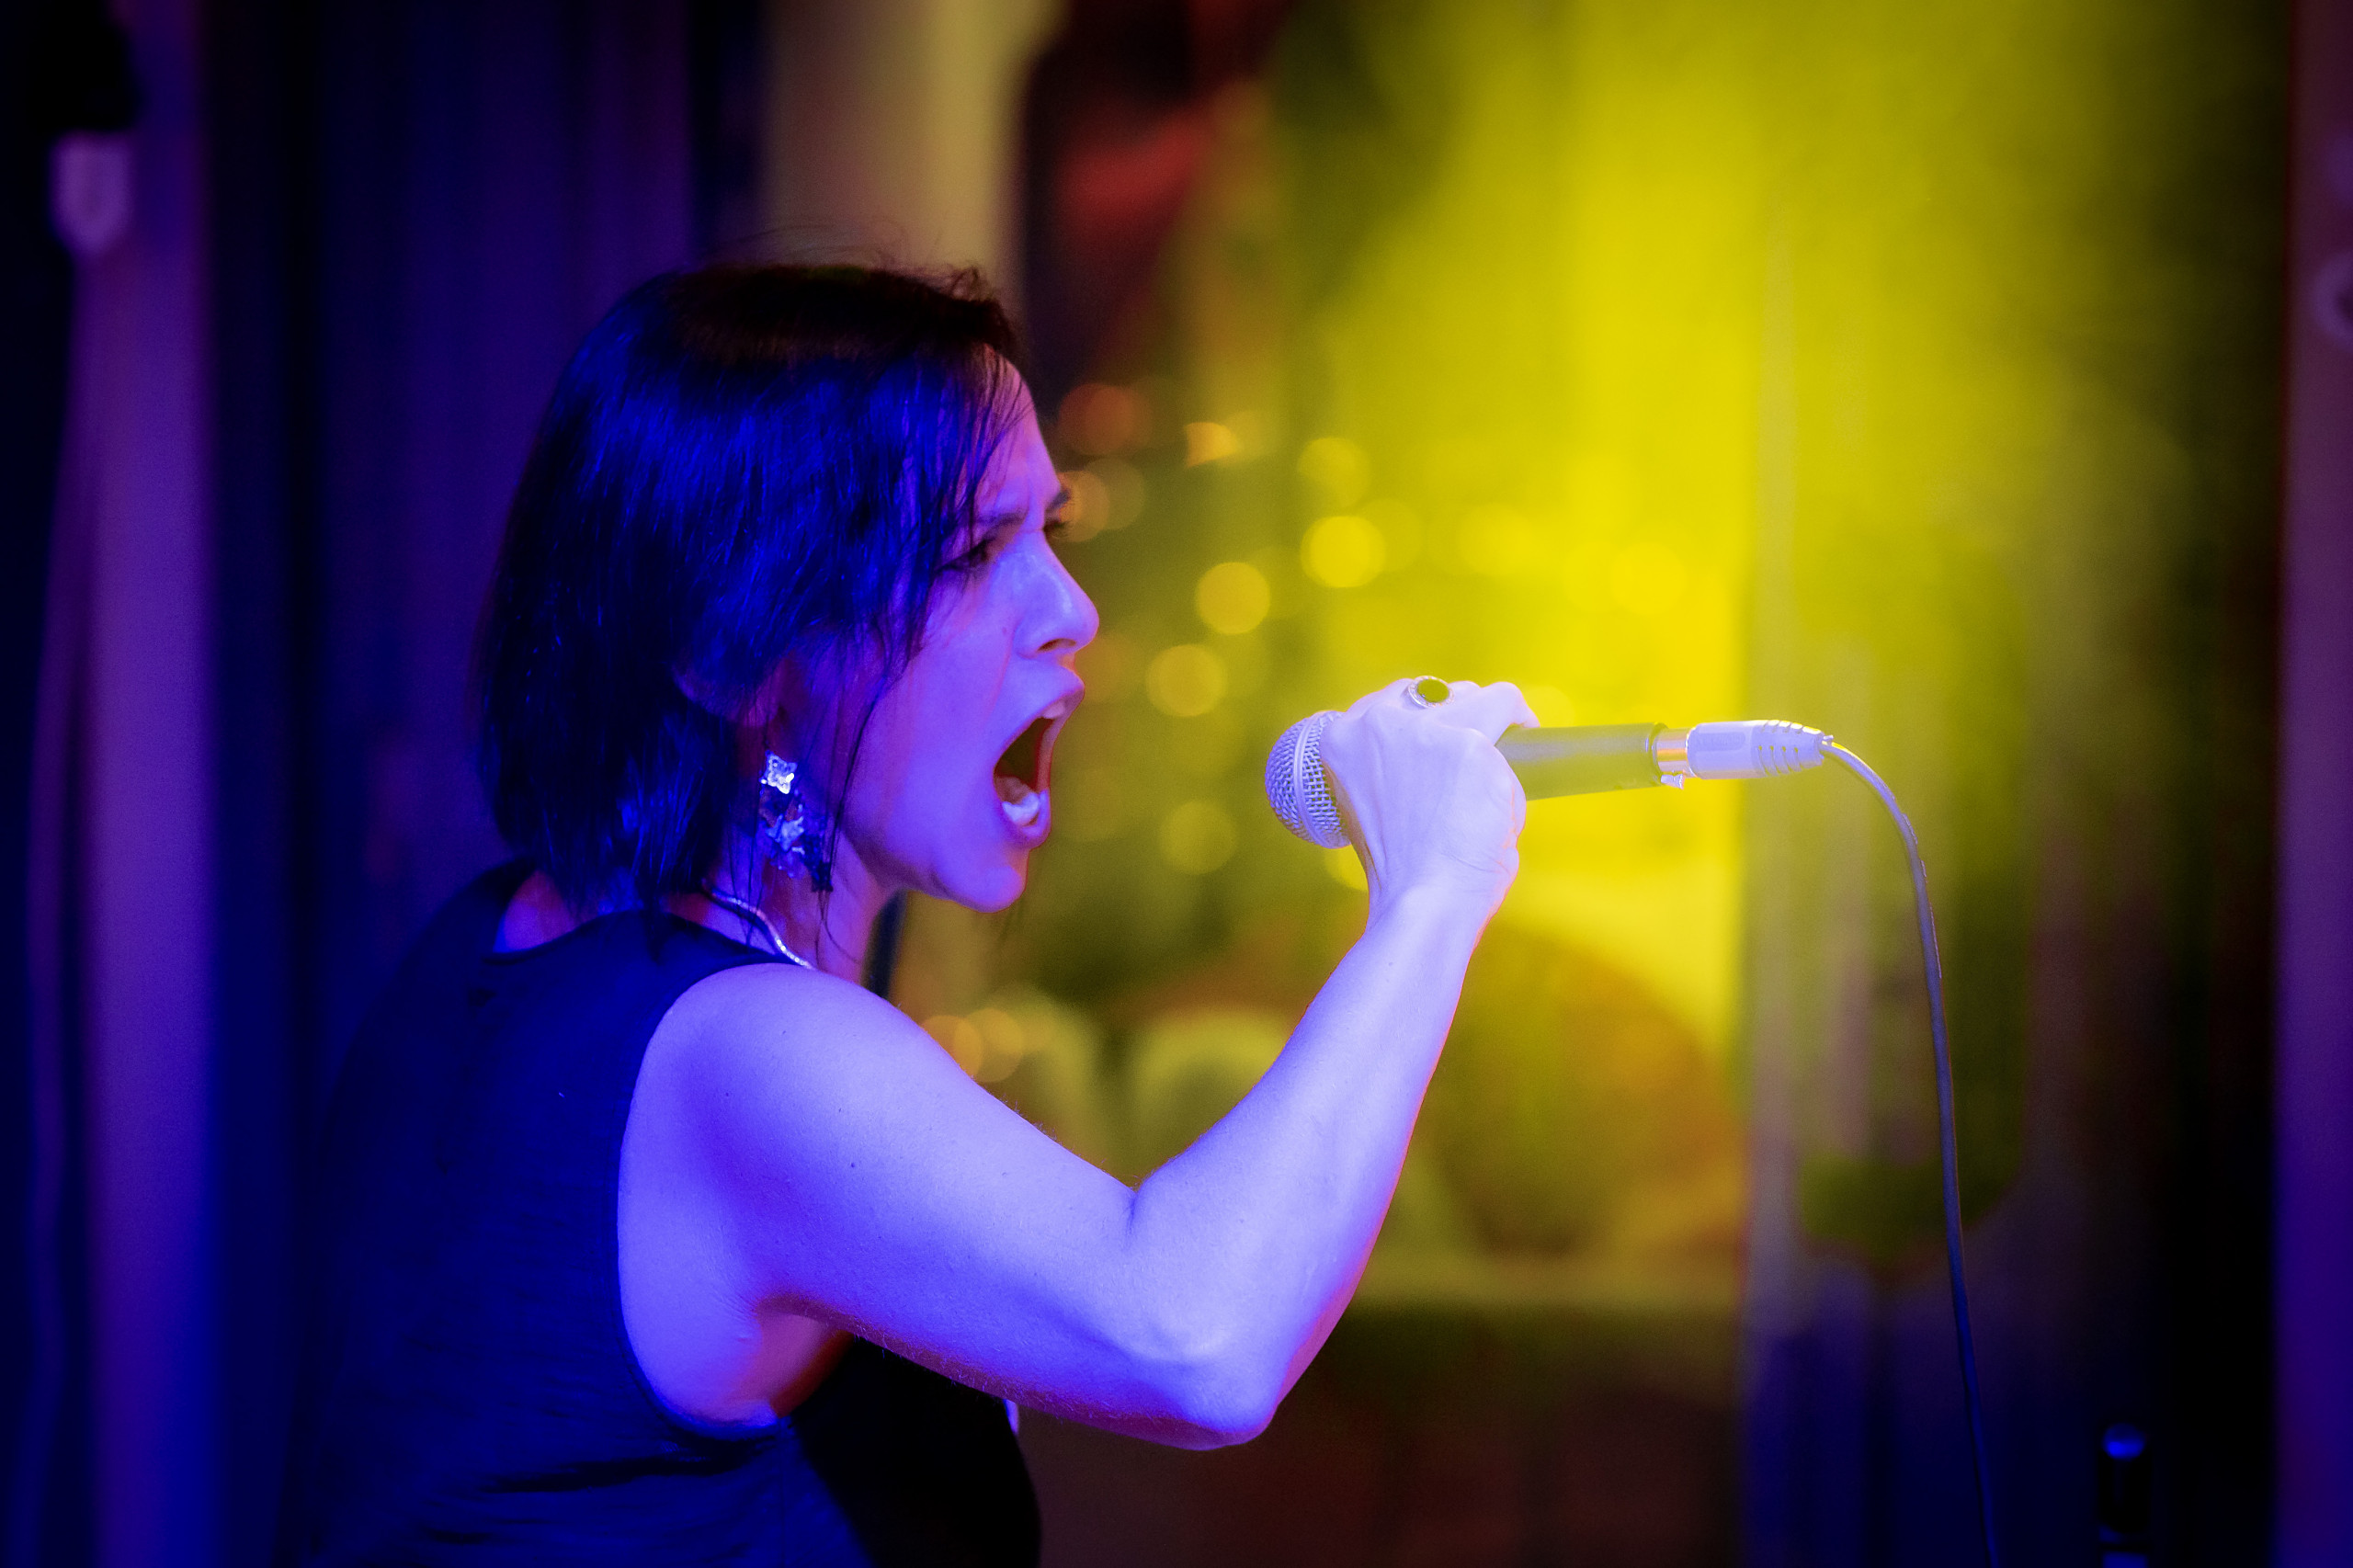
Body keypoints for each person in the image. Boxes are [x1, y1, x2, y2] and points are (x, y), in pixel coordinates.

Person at [276, 265, 1534, 1566]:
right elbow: (1197, 1338)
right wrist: (1430, 893)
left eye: (1054, 530)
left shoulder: (485, 941)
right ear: (733, 648)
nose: (1073, 611)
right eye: (976, 552)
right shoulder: (741, 1050)